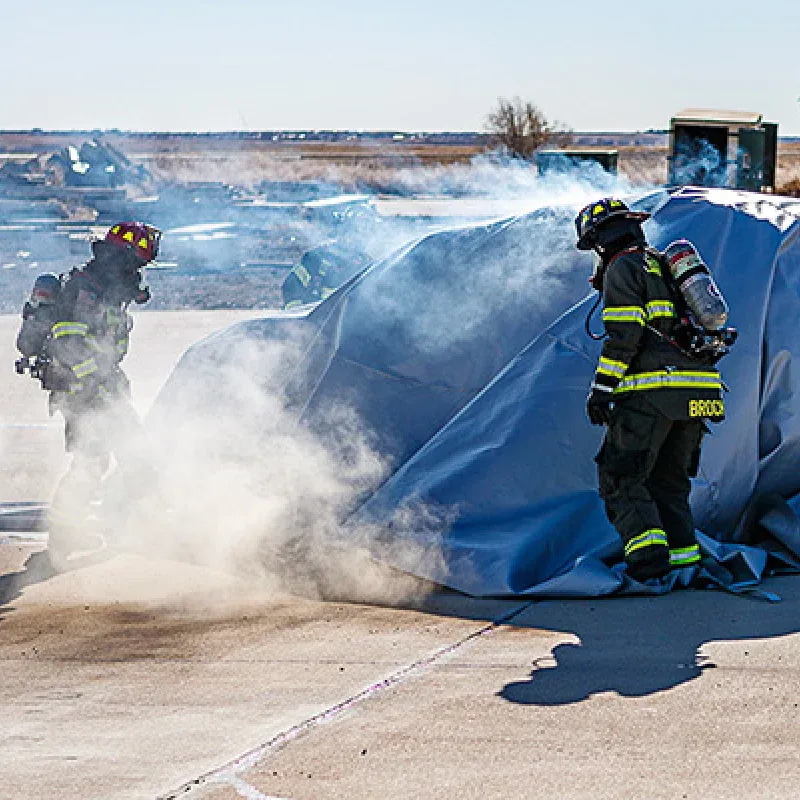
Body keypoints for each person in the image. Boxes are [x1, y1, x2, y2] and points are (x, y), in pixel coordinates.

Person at [575, 197, 729, 582]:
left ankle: (648, 567)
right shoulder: (666, 265)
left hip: (654, 391)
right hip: (699, 394)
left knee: (621, 478)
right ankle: (683, 564)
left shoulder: (623, 267)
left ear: (600, 238)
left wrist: (602, 389)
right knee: (669, 483)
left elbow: (624, 335)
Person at [16, 221, 161, 563]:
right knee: (96, 463)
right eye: (137, 264)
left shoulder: (105, 289)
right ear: (123, 260)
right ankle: (66, 541)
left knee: (118, 457)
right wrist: (91, 384)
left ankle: (143, 528)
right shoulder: (87, 290)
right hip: (86, 393)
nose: (139, 276)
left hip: (99, 388)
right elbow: (69, 343)